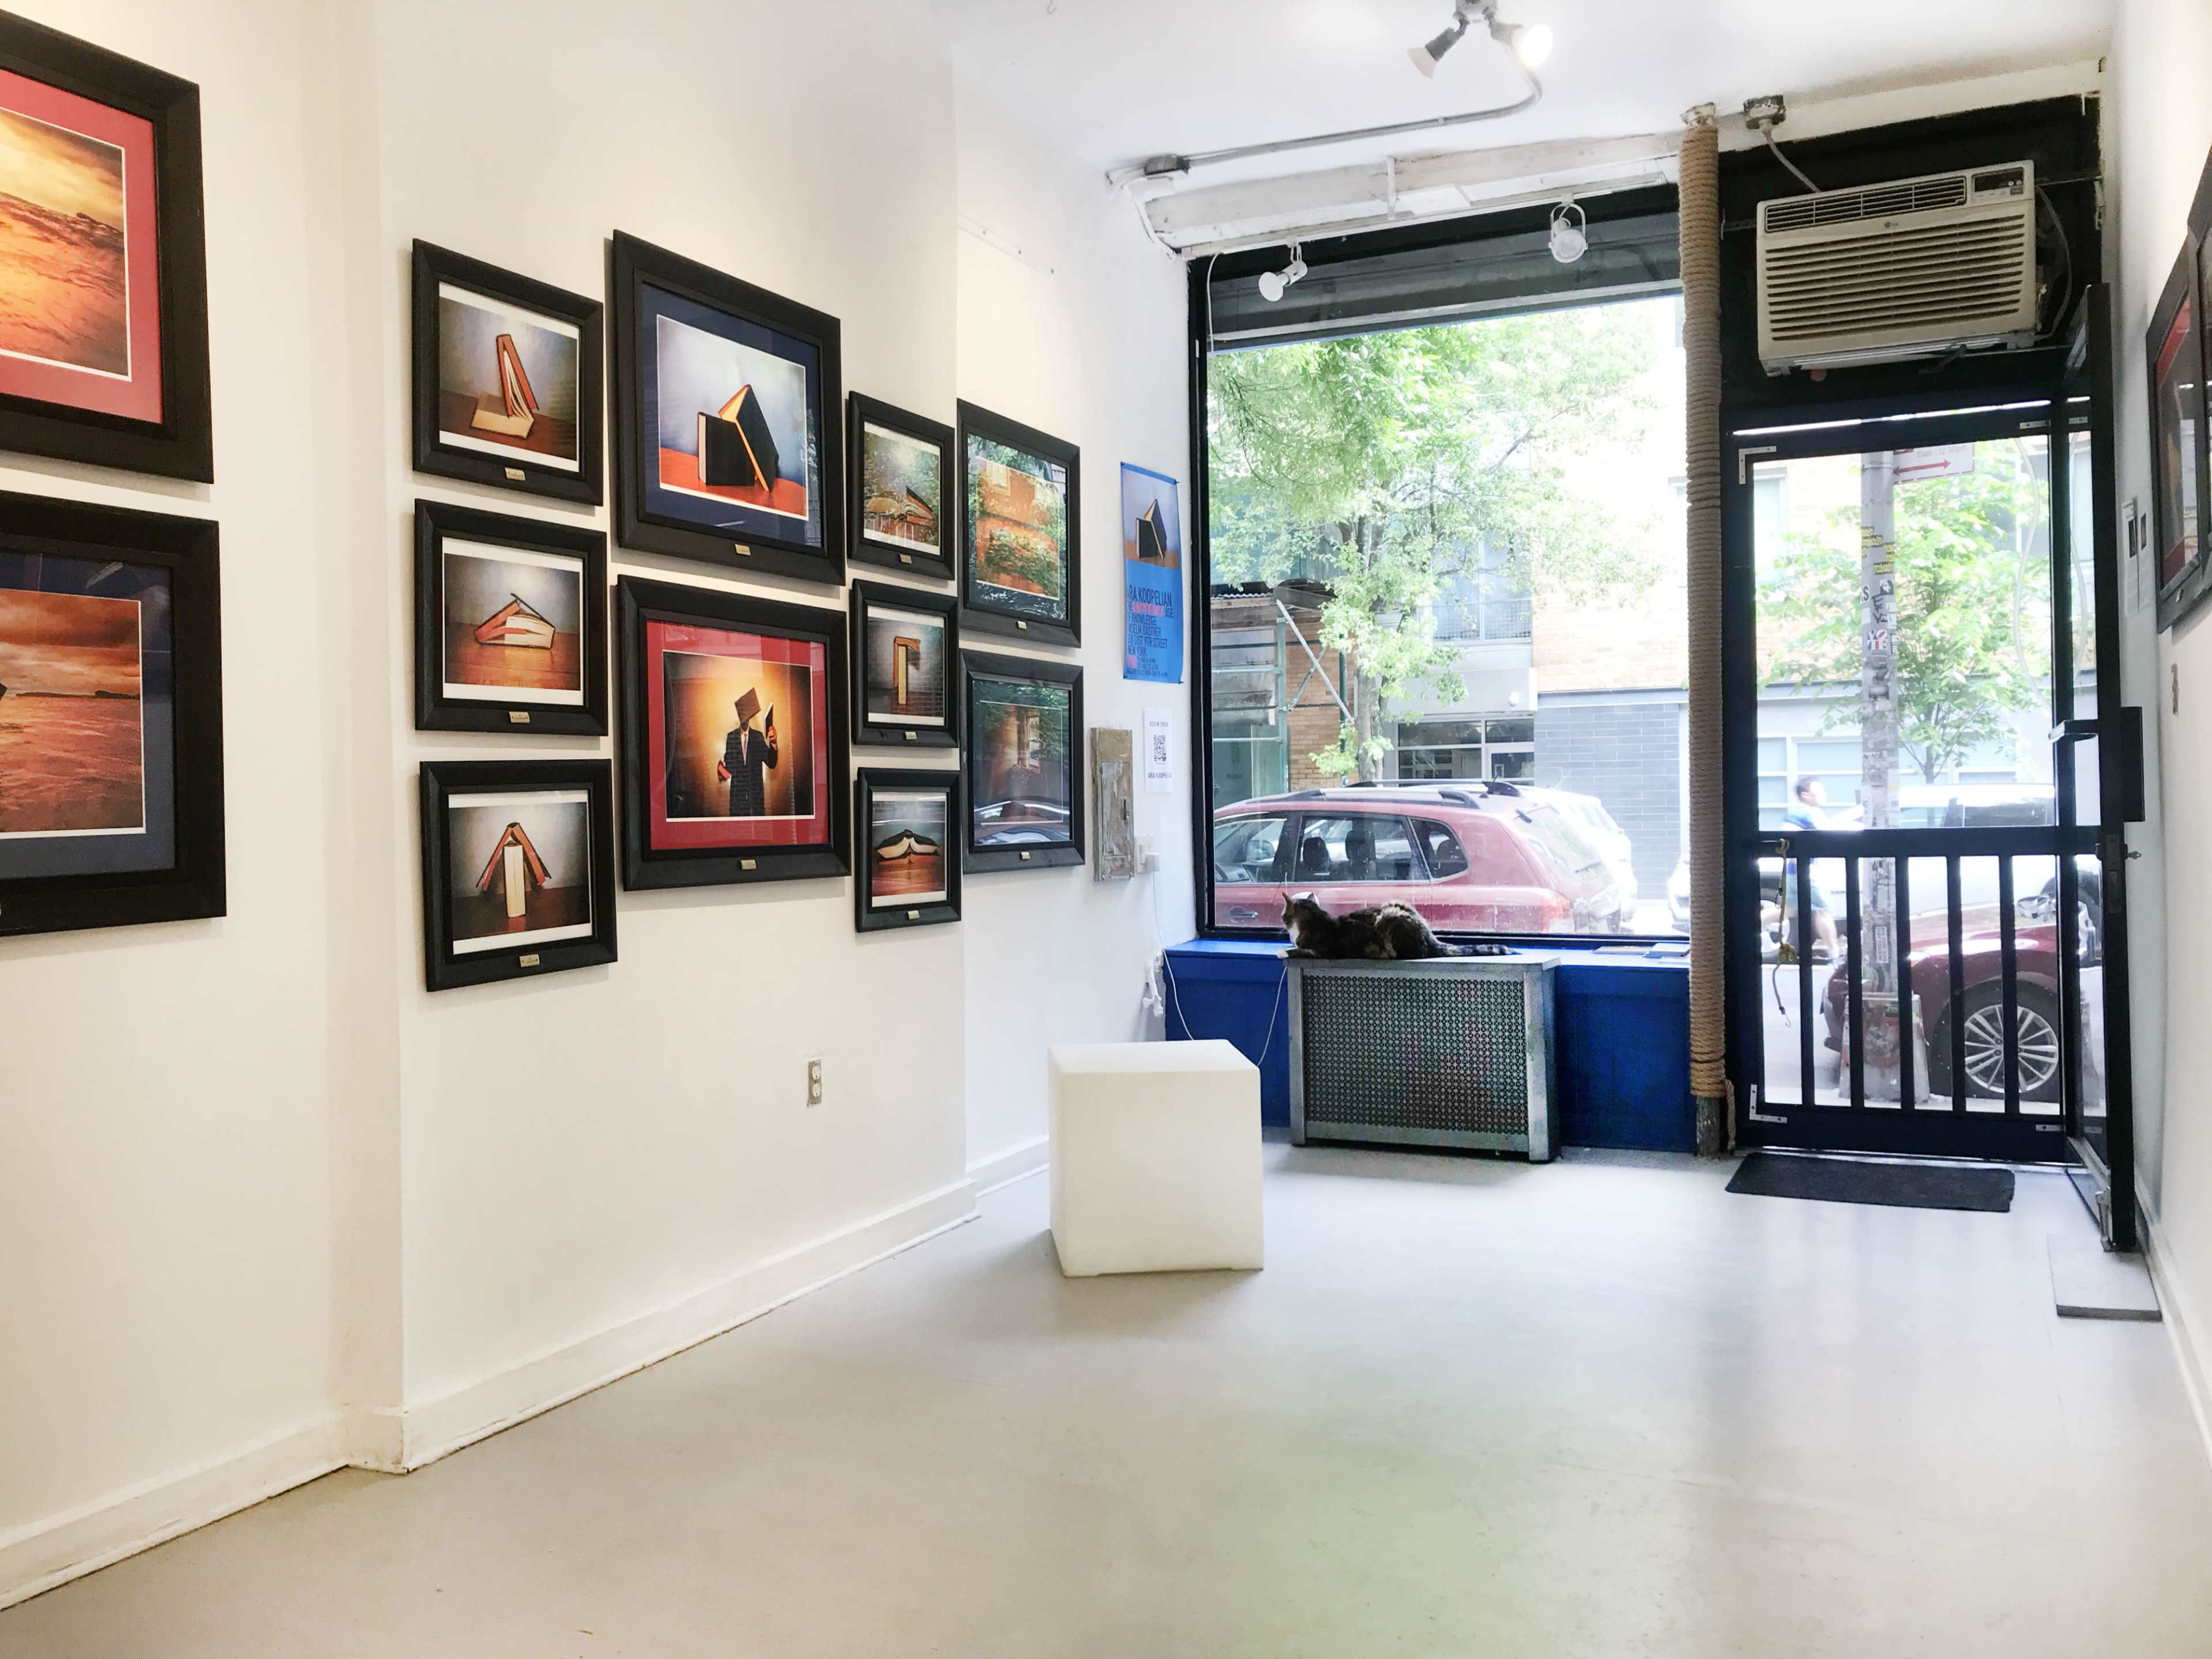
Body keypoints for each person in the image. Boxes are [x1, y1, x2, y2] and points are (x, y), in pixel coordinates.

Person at [1781, 775, 1838, 960]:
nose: (1824, 795)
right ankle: (1834, 952)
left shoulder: (1798, 813)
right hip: (1806, 871)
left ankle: (1748, 925)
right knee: (1824, 911)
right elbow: (1829, 835)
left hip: (1793, 869)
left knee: (1790, 910)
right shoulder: (1808, 813)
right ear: (1805, 795)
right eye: (1819, 791)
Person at [716, 690, 778, 817]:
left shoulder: (758, 737)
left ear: (750, 716)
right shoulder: (731, 737)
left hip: (755, 803)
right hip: (737, 804)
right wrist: (721, 770)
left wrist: (774, 742)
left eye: (746, 713)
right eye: (741, 713)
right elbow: (728, 770)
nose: (744, 718)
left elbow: (772, 763)